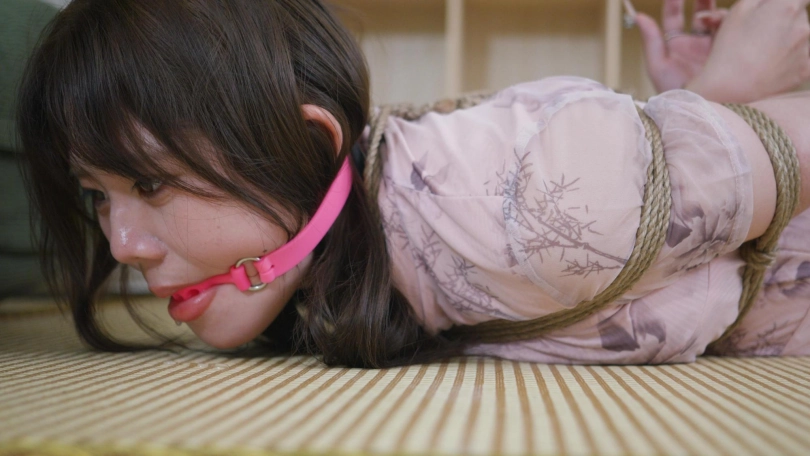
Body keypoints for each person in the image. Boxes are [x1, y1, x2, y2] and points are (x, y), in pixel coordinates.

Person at [16, 0, 810, 367]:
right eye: (97, 196)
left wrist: (727, 125)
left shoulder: (500, 203)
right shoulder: (337, 275)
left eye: (150, 184)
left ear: (305, 144)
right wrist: (703, 126)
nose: (122, 243)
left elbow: (574, 203)